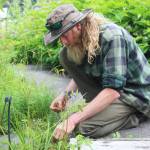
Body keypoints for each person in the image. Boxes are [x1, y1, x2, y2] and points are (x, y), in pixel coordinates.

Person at [44, 4, 150, 140]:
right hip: (110, 91)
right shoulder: (79, 41)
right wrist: (65, 95)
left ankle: (136, 115)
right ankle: (103, 109)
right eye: (59, 38)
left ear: (78, 26)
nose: (63, 41)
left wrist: (73, 119)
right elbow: (82, 73)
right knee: (64, 55)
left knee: (81, 128)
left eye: (64, 35)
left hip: (134, 95)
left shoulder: (112, 37)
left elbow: (113, 90)